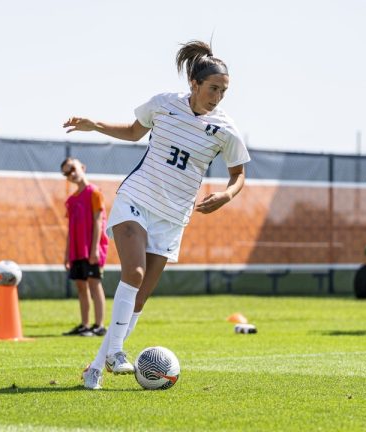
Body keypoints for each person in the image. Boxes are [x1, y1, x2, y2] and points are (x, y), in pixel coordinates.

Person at [63, 40, 250, 389]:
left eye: (224, 91)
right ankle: (116, 351)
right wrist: (95, 124)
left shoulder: (225, 128)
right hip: (137, 197)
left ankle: (96, 367)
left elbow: (238, 176)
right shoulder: (163, 104)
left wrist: (225, 195)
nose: (218, 97)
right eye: (213, 89)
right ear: (194, 84)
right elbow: (134, 132)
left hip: (173, 216)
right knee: (132, 272)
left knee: (142, 293)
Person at [60, 157, 108, 337]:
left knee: (94, 284)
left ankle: (99, 325)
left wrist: (95, 248)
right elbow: (71, 229)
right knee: (81, 286)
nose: (71, 174)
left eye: (72, 169)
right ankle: (85, 325)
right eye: (66, 173)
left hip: (92, 249)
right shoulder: (71, 200)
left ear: (82, 167)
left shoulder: (94, 192)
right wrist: (67, 254)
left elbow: (98, 222)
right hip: (77, 250)